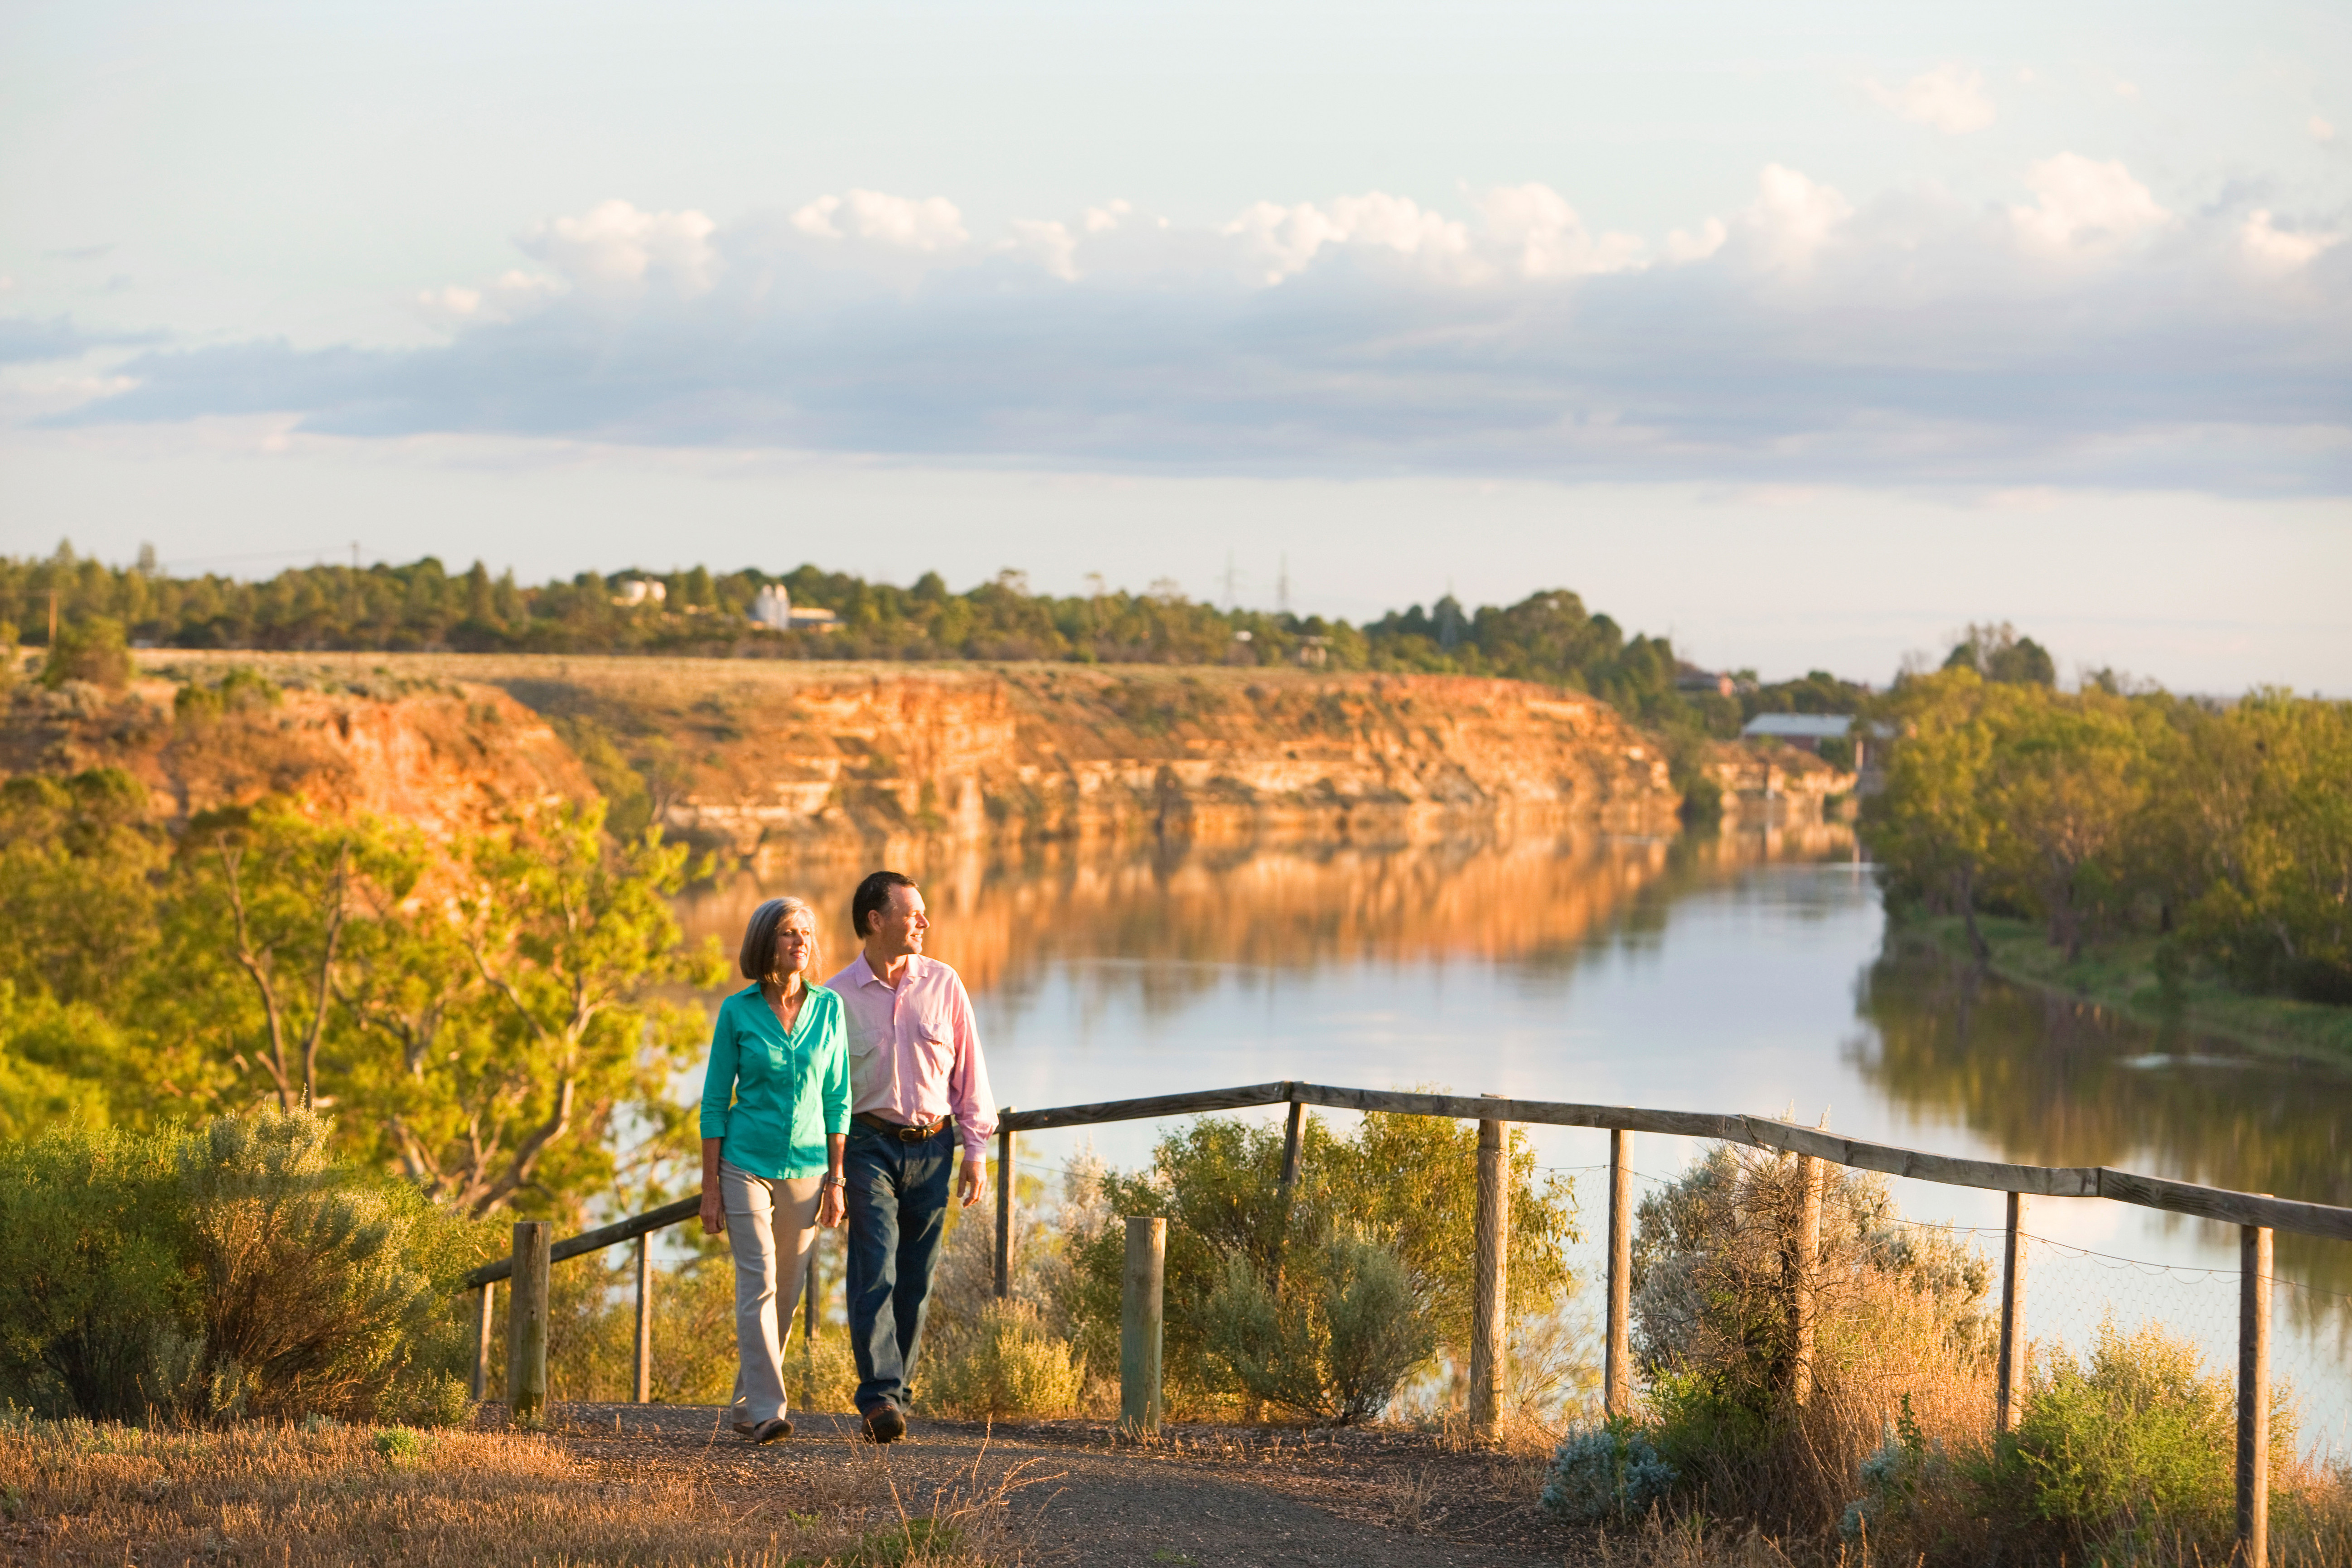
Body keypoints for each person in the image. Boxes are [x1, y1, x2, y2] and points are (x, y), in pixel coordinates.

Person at [824, 870, 996, 1442]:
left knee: (916, 1279)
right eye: (912, 912)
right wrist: (830, 1170)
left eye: (923, 912)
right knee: (876, 1266)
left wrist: (975, 1150)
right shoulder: (835, 998)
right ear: (876, 920)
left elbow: (972, 1072)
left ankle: (896, 1393)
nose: (923, 921)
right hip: (867, 1145)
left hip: (935, 1146)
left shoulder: (945, 983)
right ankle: (878, 1398)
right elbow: (825, 1089)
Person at [698, 895, 848, 1444]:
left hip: (809, 1168)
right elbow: (715, 1101)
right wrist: (710, 1186)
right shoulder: (737, 1011)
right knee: (758, 1280)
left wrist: (837, 1178)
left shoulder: (830, 1009)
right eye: (789, 932)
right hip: (744, 1164)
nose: (801, 942)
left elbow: (839, 1099)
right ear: (767, 942)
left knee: (786, 1293)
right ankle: (768, 1411)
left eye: (806, 932)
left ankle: (745, 1403)